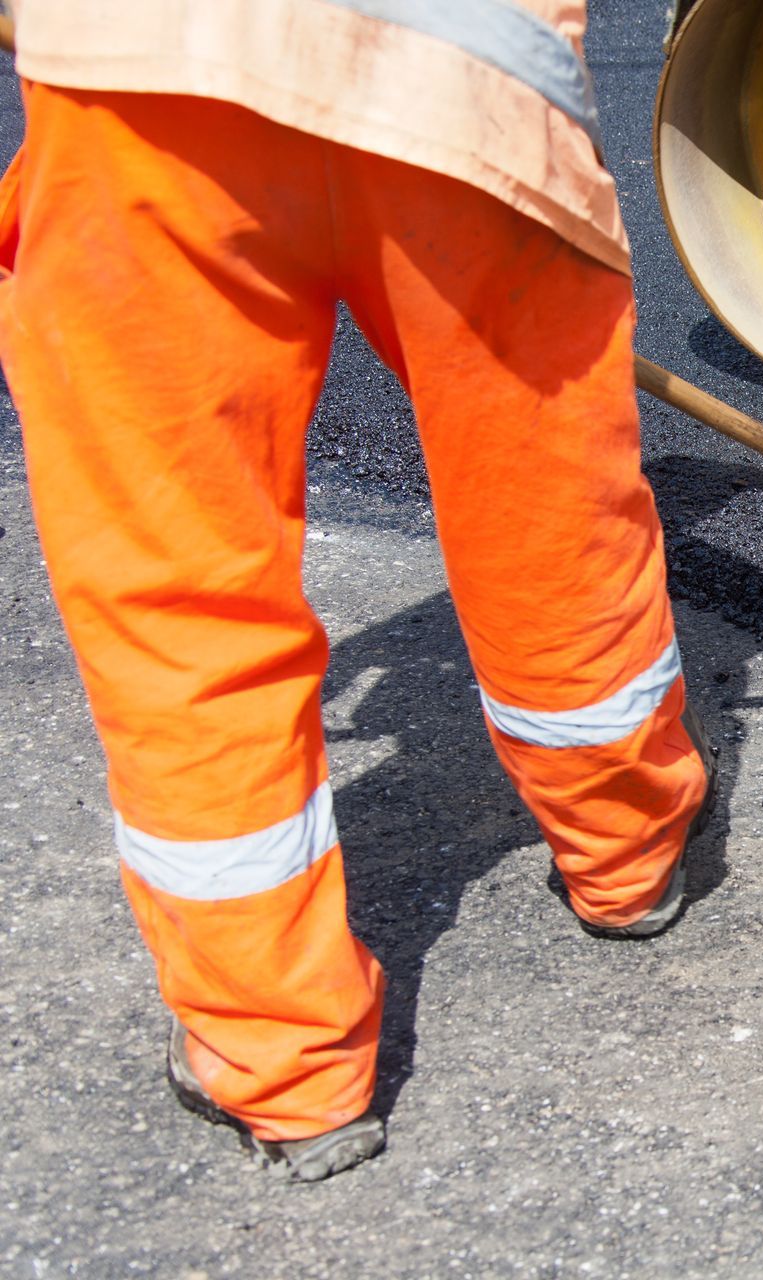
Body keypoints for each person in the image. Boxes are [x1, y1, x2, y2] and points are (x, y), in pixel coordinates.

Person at [0, 0, 712, 1182]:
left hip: (144, 86)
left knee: (180, 593)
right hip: (465, 89)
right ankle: (627, 856)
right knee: (549, 515)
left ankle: (283, 1059)